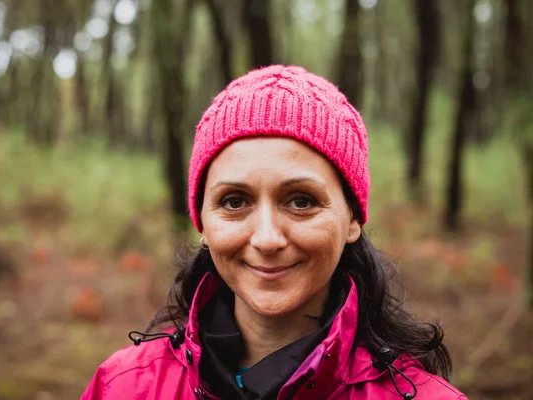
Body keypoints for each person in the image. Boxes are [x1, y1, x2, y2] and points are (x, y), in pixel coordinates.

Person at [81, 65, 467, 399]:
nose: (267, 239)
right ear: (202, 222)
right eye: (234, 202)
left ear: (352, 219)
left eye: (300, 201)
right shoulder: (123, 387)